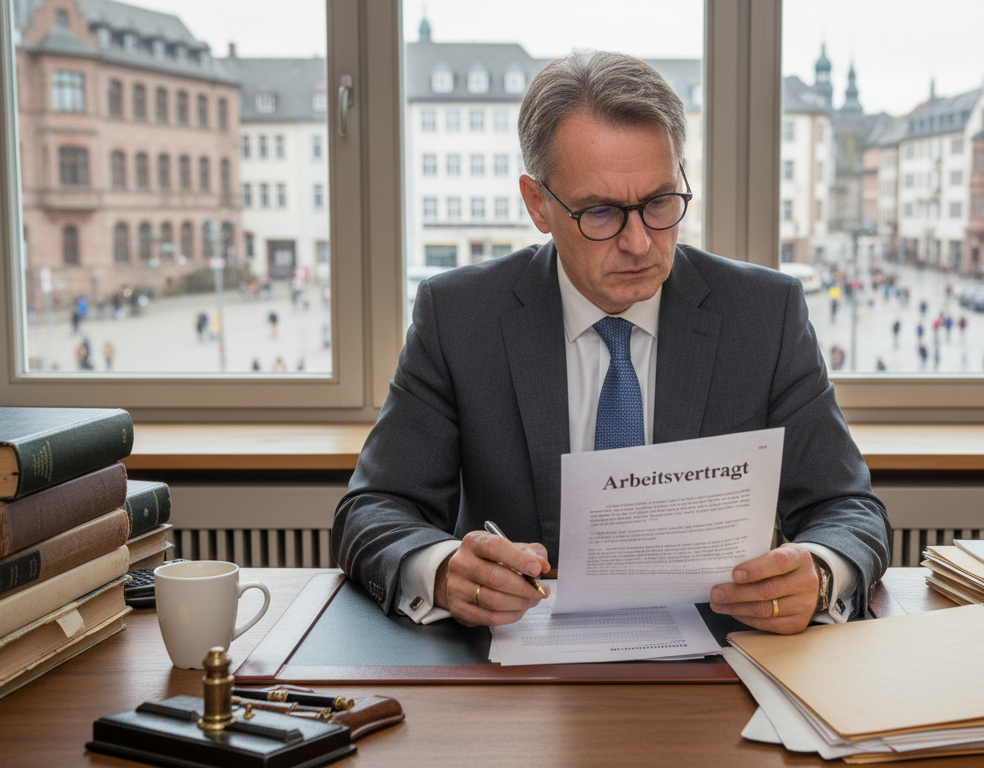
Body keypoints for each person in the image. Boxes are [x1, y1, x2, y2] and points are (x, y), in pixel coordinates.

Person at [333, 51, 889, 635]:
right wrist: (444, 570)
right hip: (521, 674)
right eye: (600, 212)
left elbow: (847, 508)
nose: (639, 243)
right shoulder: (461, 316)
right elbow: (373, 509)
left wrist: (820, 574)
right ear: (538, 204)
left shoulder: (762, 315)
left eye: (659, 203)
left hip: (717, 663)